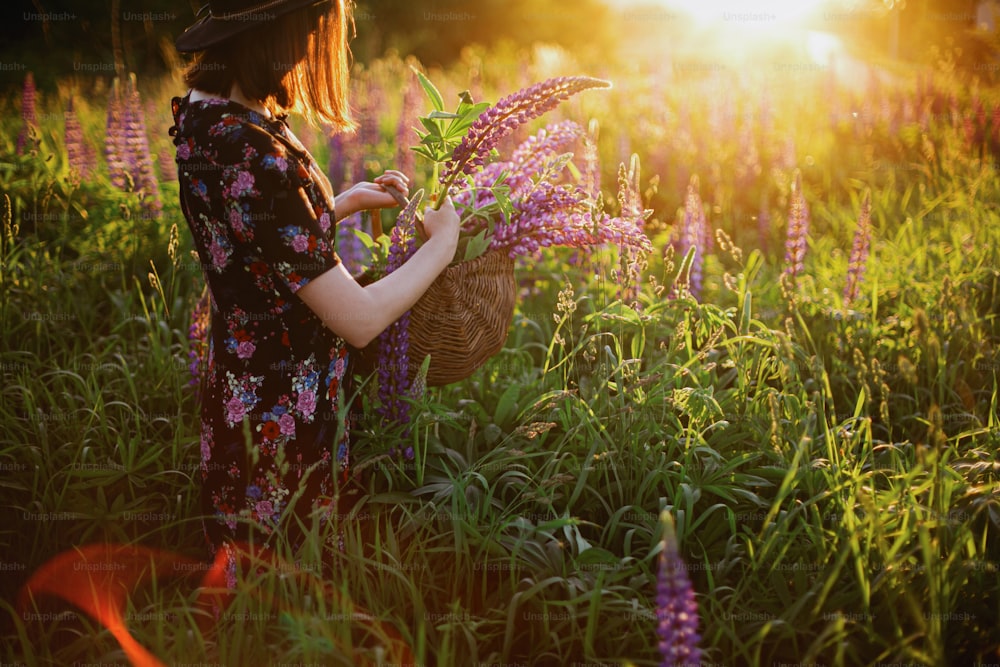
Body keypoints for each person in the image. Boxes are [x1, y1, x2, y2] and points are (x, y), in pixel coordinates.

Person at [169, 0, 459, 579]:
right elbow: (359, 318)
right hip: (286, 414)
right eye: (308, 34)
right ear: (271, 33)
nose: (309, 51)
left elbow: (252, 235)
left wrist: (336, 206)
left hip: (239, 392)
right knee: (287, 586)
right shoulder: (253, 151)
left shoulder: (206, 118)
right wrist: (442, 245)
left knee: (248, 570)